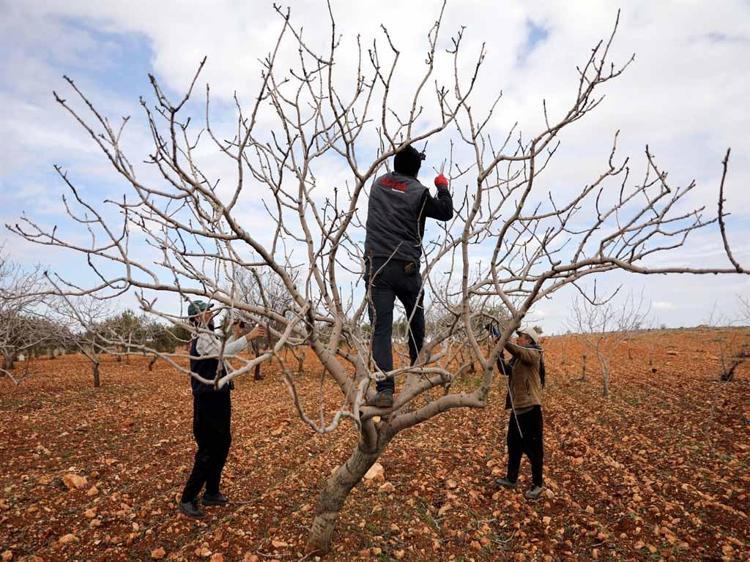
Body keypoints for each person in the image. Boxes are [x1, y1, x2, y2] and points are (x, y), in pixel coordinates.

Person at [364, 144, 453, 408]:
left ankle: (385, 389)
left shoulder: (377, 185)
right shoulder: (419, 192)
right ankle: (416, 366)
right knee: (415, 317)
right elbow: (445, 212)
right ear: (416, 169)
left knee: (381, 329)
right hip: (406, 267)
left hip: (377, 266)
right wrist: (442, 187)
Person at [179, 300, 266, 518]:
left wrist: (236, 335)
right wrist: (247, 337)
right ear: (196, 318)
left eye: (210, 310)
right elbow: (222, 354)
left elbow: (221, 353)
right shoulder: (201, 337)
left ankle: (211, 492)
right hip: (208, 402)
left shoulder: (209, 336)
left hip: (219, 398)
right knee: (208, 450)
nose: (211, 313)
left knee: (222, 444)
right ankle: (188, 498)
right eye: (206, 311)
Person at [495, 327, 546, 500]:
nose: (518, 339)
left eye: (521, 337)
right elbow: (505, 370)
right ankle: (511, 479)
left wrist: (502, 339)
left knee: (534, 450)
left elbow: (518, 351)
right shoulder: (517, 359)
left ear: (529, 340)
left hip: (531, 410)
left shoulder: (533, 354)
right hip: (517, 410)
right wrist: (499, 352)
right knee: (514, 445)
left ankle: (538, 485)